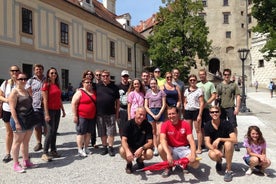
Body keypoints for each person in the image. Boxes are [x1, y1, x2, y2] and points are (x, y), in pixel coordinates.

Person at [158, 106, 200, 178]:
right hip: (171, 149)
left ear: (178, 114)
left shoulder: (185, 124)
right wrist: (168, 154)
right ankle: (168, 166)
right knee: (160, 147)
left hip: (183, 149)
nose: (171, 116)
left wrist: (193, 154)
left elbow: (191, 141)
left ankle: (184, 164)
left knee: (196, 164)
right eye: (169, 114)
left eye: (173, 113)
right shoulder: (165, 124)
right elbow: (162, 139)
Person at [9, 72, 38, 173]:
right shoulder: (14, 92)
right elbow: (12, 108)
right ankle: (16, 164)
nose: (23, 81)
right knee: (17, 142)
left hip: (29, 119)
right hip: (19, 119)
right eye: (21, 79)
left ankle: (26, 161)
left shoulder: (26, 91)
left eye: (25, 79)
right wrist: (16, 122)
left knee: (26, 142)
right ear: (16, 80)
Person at [204, 106, 237, 182]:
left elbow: (235, 139)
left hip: (226, 147)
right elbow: (207, 143)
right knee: (212, 154)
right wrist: (215, 150)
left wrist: (220, 139)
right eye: (212, 112)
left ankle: (228, 170)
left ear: (220, 113)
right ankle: (219, 161)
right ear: (209, 114)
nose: (214, 113)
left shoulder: (226, 123)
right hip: (216, 147)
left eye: (216, 112)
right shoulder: (207, 125)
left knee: (228, 143)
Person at [41, 67, 66, 161]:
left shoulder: (57, 85)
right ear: (48, 74)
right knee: (50, 131)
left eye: (55, 73)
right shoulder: (46, 85)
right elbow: (45, 100)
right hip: (50, 110)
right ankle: (45, 153)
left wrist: (62, 109)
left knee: (54, 131)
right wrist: (46, 114)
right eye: (51, 73)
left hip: (57, 110)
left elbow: (59, 98)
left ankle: (53, 150)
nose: (54, 74)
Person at [119, 107, 153, 174]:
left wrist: (142, 148)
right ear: (135, 113)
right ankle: (129, 163)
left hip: (141, 149)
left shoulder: (148, 125)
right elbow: (123, 140)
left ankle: (139, 161)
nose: (142, 117)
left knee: (150, 153)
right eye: (140, 114)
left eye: (144, 115)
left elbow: (150, 142)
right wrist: (128, 151)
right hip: (130, 147)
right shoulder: (128, 124)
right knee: (122, 150)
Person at [96, 70, 120, 157]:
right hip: (100, 114)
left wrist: (117, 113)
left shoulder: (114, 87)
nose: (105, 77)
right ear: (101, 77)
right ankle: (104, 147)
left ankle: (110, 147)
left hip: (111, 113)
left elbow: (118, 101)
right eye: (103, 76)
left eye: (107, 76)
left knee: (111, 132)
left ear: (109, 76)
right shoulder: (97, 86)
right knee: (102, 131)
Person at [216, 69, 241, 151]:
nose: (227, 76)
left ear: (230, 75)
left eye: (228, 74)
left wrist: (237, 108)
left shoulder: (233, 85)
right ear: (223, 75)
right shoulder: (219, 85)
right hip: (222, 108)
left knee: (233, 125)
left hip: (230, 107)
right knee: (222, 125)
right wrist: (216, 107)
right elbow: (216, 96)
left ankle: (235, 142)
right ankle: (223, 140)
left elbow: (238, 96)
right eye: (225, 74)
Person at [0, 65, 20, 163]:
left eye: (16, 70)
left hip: (19, 111)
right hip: (7, 110)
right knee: (9, 133)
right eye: (12, 71)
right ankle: (8, 154)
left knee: (20, 133)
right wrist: (7, 100)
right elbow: (0, 96)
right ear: (10, 72)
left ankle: (20, 153)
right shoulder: (6, 83)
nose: (14, 72)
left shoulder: (22, 82)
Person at [71, 77, 96, 157]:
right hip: (82, 116)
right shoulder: (80, 92)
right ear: (83, 83)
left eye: (90, 82)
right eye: (87, 82)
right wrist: (75, 115)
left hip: (92, 116)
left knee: (88, 133)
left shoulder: (93, 92)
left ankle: (86, 148)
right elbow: (73, 103)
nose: (89, 84)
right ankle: (79, 149)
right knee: (81, 133)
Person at [26, 64, 46, 152]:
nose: (39, 71)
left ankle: (47, 142)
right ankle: (39, 143)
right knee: (37, 126)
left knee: (47, 126)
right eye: (37, 69)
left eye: (40, 69)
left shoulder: (47, 79)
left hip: (46, 106)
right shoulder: (30, 81)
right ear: (34, 70)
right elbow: (28, 92)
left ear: (43, 70)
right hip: (35, 106)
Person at [144, 78, 166, 156]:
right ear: (150, 85)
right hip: (151, 112)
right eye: (151, 83)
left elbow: (164, 104)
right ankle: (155, 147)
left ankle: (159, 146)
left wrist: (159, 114)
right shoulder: (148, 93)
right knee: (153, 131)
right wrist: (152, 115)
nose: (153, 85)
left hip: (160, 111)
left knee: (159, 132)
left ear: (156, 84)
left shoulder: (161, 92)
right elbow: (146, 106)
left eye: (154, 83)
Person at [183, 74, 204, 154]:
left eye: (194, 80)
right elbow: (185, 101)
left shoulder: (199, 90)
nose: (192, 81)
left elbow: (201, 103)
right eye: (191, 80)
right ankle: (191, 146)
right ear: (189, 81)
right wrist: (186, 107)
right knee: (189, 130)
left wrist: (200, 114)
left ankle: (199, 147)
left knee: (198, 130)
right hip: (188, 111)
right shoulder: (186, 91)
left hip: (196, 111)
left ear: (196, 81)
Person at [196, 69, 216, 149]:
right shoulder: (197, 85)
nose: (201, 76)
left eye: (203, 74)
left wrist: (206, 103)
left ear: (206, 75)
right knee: (200, 127)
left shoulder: (210, 84)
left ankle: (210, 141)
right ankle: (203, 142)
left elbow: (214, 95)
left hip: (207, 108)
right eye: (200, 75)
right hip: (199, 108)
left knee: (209, 125)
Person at [80, 70, 98, 148]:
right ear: (85, 75)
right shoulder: (81, 84)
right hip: (83, 111)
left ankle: (93, 142)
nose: (89, 75)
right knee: (83, 127)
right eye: (87, 74)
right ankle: (83, 143)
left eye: (91, 74)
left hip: (93, 108)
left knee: (92, 127)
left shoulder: (94, 85)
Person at [117, 70, 130, 137]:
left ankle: (129, 140)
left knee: (129, 126)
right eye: (124, 76)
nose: (125, 78)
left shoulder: (131, 86)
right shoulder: (117, 86)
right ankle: (122, 140)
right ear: (121, 77)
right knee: (121, 127)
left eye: (126, 76)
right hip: (121, 108)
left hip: (129, 108)